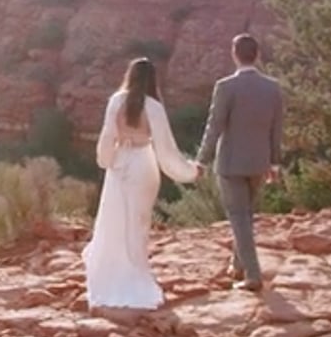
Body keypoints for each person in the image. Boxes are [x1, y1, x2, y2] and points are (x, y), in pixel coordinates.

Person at [85, 57, 200, 309]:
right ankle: (137, 271)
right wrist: (190, 171)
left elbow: (108, 136)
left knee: (115, 219)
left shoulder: (116, 101)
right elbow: (167, 148)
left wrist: (106, 161)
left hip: (120, 164)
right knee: (139, 222)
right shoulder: (154, 107)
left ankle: (112, 274)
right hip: (143, 165)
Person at [196, 33, 285, 293]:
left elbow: (215, 126)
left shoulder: (225, 87)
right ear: (257, 55)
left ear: (234, 55)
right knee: (245, 216)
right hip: (259, 162)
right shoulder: (272, 87)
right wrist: (275, 164)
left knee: (239, 217)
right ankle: (237, 265)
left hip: (231, 164)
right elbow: (276, 129)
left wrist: (202, 159)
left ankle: (253, 275)